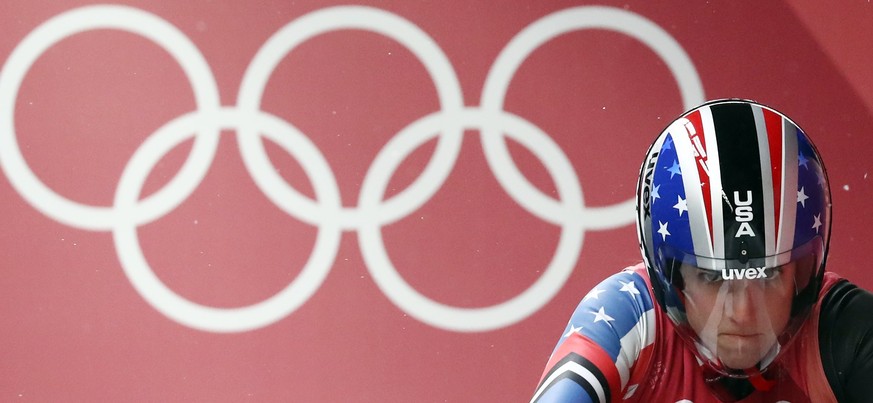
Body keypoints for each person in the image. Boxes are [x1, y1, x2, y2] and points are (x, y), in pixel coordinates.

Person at [531, 99, 873, 402]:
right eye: (712, 276)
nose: (742, 312)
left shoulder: (844, 327)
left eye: (767, 274)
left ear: (802, 275)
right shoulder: (626, 316)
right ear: (671, 278)